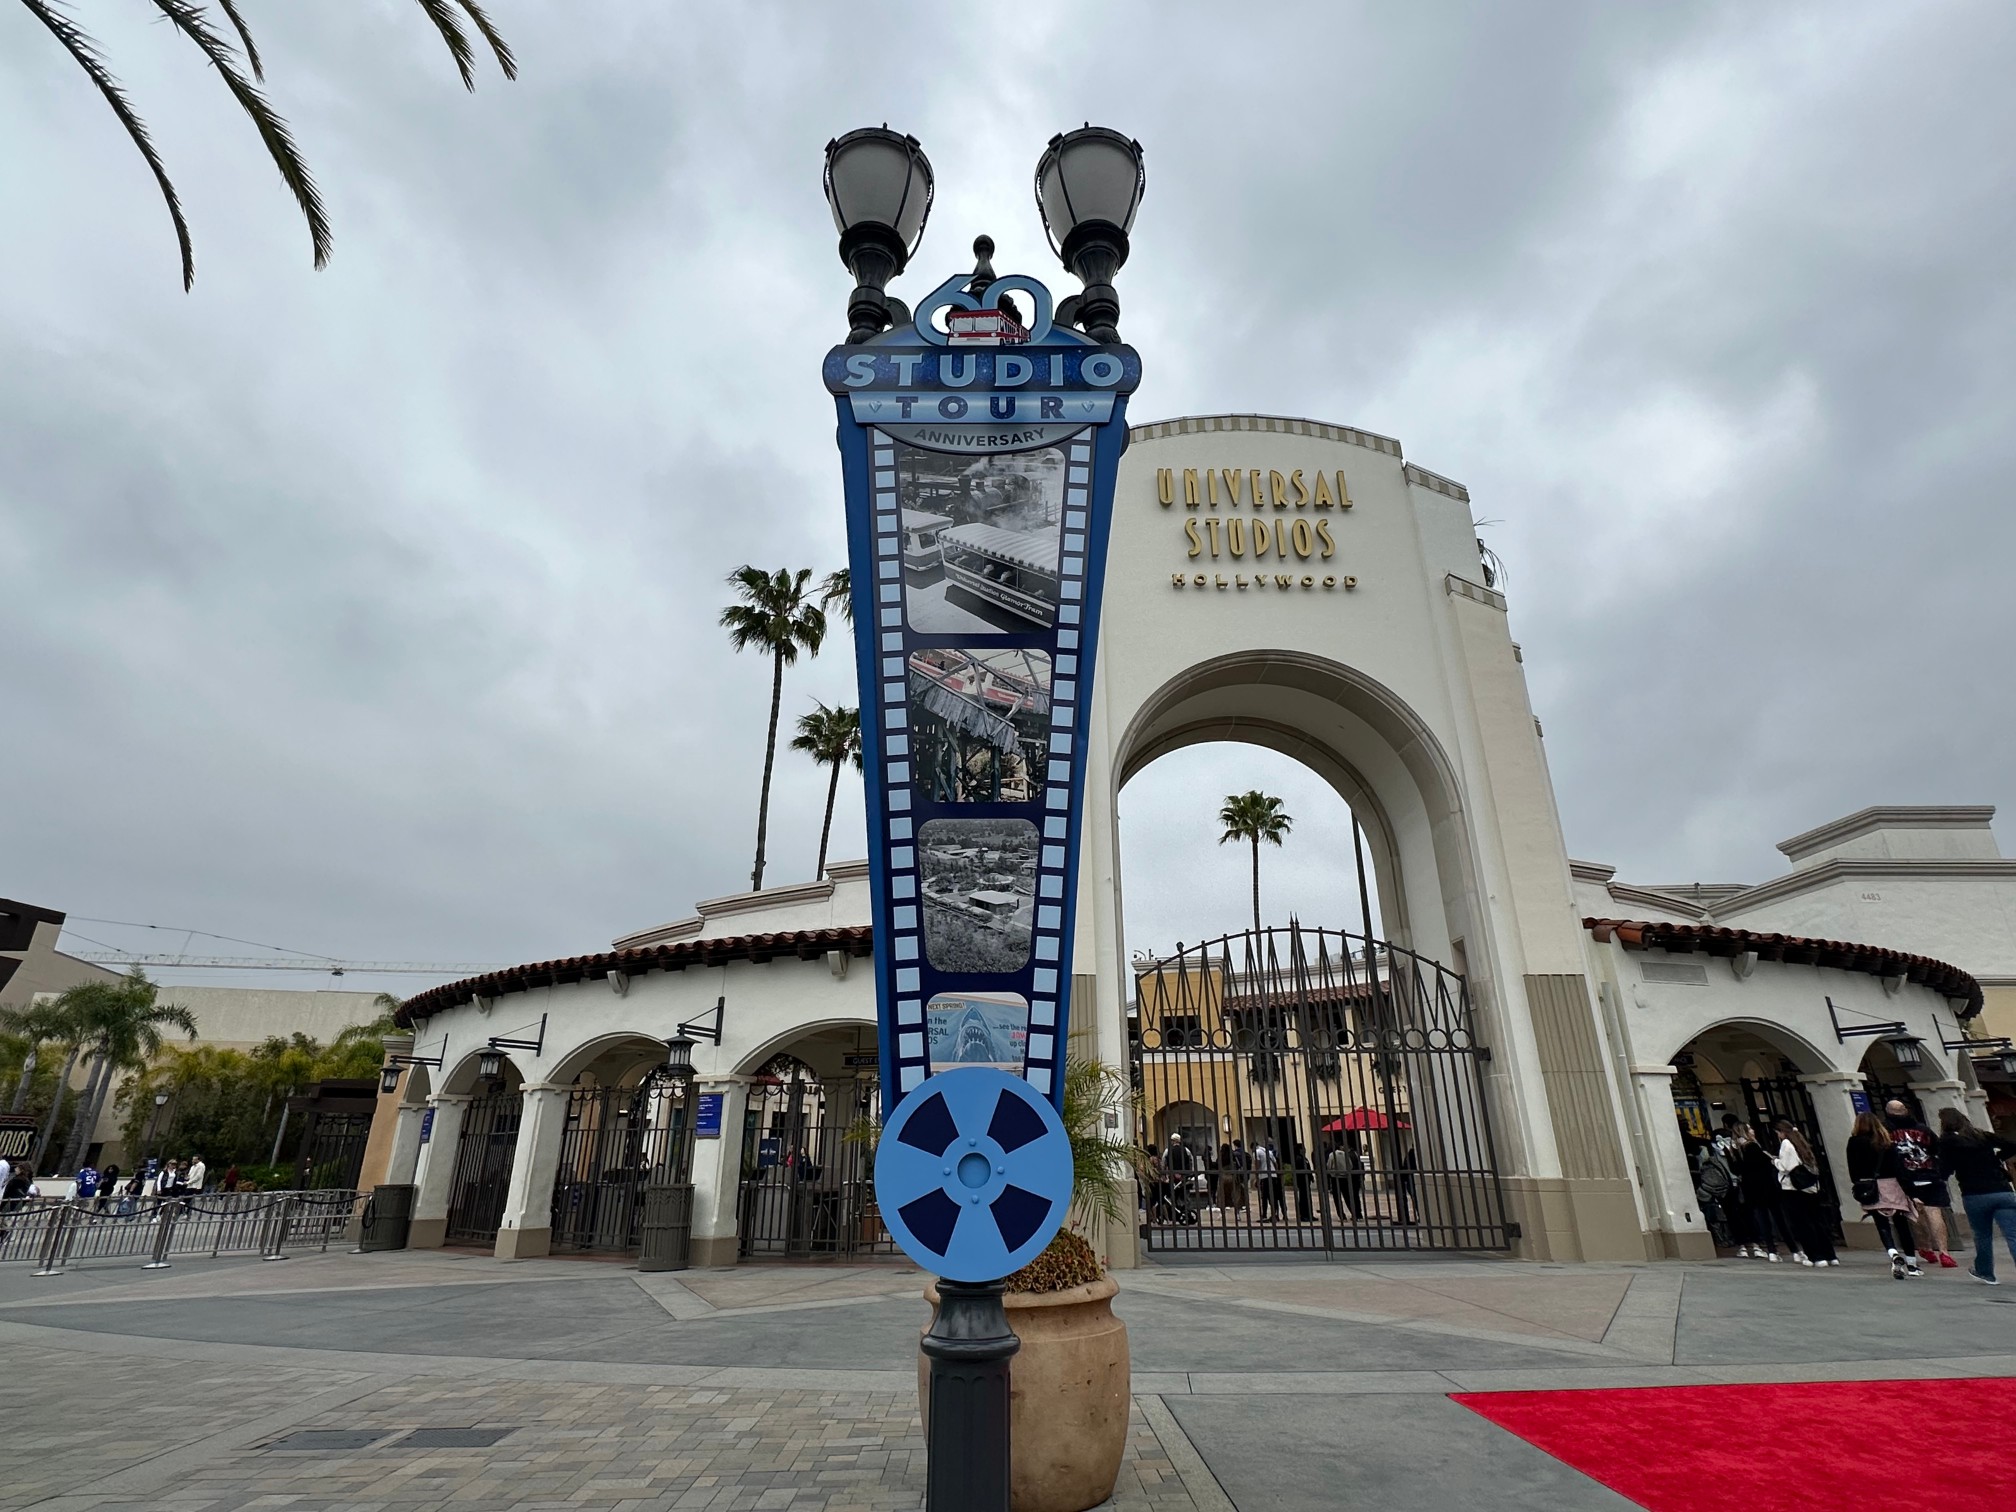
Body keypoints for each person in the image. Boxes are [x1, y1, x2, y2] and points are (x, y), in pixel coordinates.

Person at [1934, 1108, 2016, 1286]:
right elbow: (2012, 1145)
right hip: (2002, 1190)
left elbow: (1944, 1170)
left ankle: (1986, 1272)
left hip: (1974, 1194)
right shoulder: (1982, 1136)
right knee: (2013, 1234)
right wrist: (1998, 1158)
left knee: (1982, 1235)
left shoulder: (1947, 1142)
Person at [1846, 1112, 1921, 1279]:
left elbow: (1852, 1170)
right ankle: (1912, 1265)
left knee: (1882, 1224)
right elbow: (1899, 1169)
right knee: (1902, 1225)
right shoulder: (1885, 1142)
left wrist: (1859, 1183)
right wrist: (1911, 1191)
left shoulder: (1854, 1142)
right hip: (1892, 1185)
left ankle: (1893, 1253)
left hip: (1870, 1187)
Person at [1885, 1101, 1957, 1268]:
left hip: (1906, 1178)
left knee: (1915, 1214)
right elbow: (1937, 1150)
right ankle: (1944, 1253)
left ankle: (1926, 1248)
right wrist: (1937, 1169)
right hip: (1929, 1174)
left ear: (1888, 1112)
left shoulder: (1886, 1131)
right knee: (1934, 1212)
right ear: (1905, 1110)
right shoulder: (1923, 1129)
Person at [1772, 1119, 1838, 1266]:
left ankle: (1815, 1256)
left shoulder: (1786, 1143)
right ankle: (1830, 1255)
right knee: (1817, 1221)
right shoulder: (1800, 1141)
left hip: (1794, 1189)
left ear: (1781, 1132)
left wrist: (1775, 1161)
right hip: (1811, 1188)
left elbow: (1786, 1166)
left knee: (1803, 1224)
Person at [1734, 1124, 1794, 1261]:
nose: (1753, 1130)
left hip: (1751, 1190)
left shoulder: (1738, 1149)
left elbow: (1737, 1168)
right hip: (1765, 1187)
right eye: (1750, 1128)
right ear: (1745, 1132)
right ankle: (1793, 1249)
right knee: (1779, 1219)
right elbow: (1765, 1164)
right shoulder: (1752, 1147)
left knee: (1763, 1220)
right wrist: (1771, 1159)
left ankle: (1771, 1250)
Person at [1254, 1140, 1285, 1220]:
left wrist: (1256, 1176)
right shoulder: (1269, 1152)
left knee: (1264, 1197)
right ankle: (1275, 1214)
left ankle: (1264, 1215)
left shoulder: (1256, 1152)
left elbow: (1257, 1164)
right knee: (1273, 1196)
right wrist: (1276, 1173)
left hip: (1264, 1176)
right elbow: (1275, 1163)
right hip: (1273, 1176)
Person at [1324, 1141, 1357, 1219]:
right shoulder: (1345, 1154)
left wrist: (1331, 1172)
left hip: (1335, 1178)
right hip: (1345, 1177)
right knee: (1348, 1197)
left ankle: (1342, 1215)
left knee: (1337, 1198)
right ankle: (1354, 1213)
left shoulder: (1332, 1155)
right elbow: (1350, 1165)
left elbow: (1328, 1166)